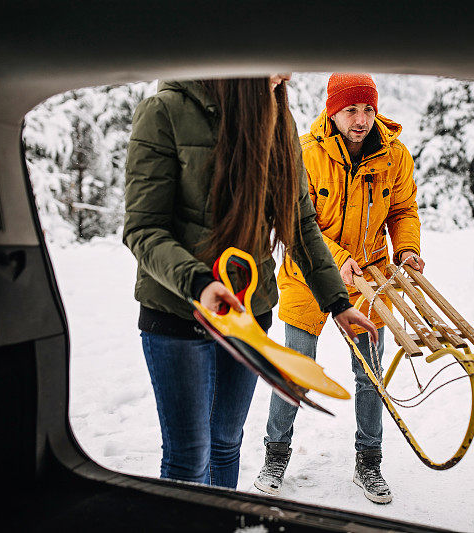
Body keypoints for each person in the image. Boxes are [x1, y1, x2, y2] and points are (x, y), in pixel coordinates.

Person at [123, 75, 377, 489]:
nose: (285, 75)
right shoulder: (165, 110)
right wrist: (200, 284)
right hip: (176, 312)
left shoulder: (279, 119)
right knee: (189, 457)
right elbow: (143, 229)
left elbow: (300, 223)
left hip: (249, 317)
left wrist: (337, 301)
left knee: (226, 442)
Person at [255, 73, 423, 504]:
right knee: (296, 369)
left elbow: (403, 209)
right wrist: (334, 259)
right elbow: (295, 223)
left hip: (370, 277)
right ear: (333, 109)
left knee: (369, 376)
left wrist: (406, 251)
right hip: (307, 274)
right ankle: (275, 456)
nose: (362, 119)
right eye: (352, 109)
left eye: (368, 109)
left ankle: (369, 463)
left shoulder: (393, 154)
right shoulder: (307, 154)